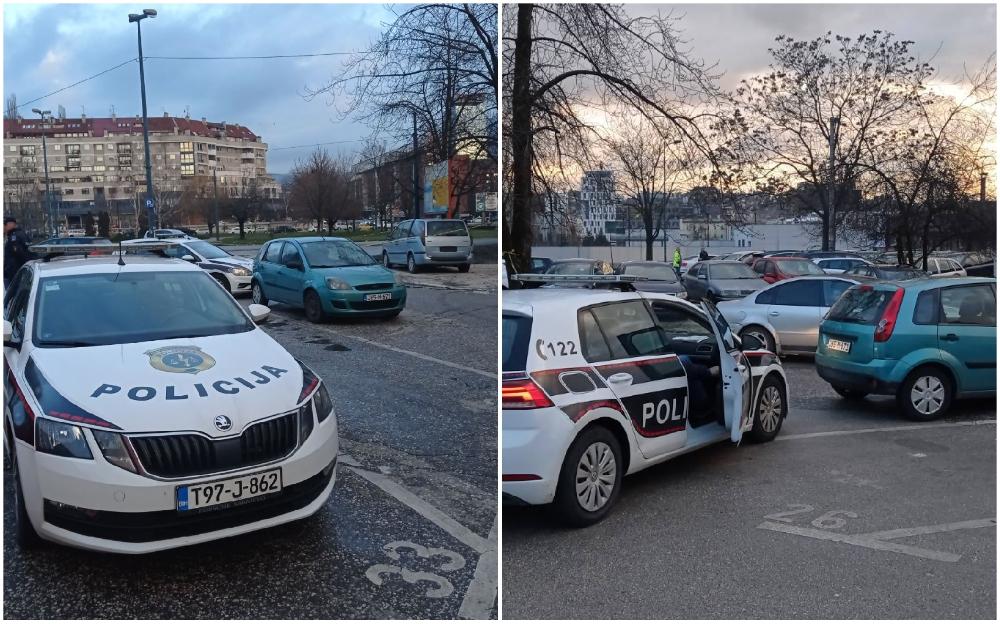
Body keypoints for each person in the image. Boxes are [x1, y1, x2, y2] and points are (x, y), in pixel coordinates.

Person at [4, 217, 33, 289]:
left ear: (10, 224)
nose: (4, 227)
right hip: (21, 271)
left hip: (16, 272)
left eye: (5, 225)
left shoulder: (14, 237)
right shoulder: (21, 234)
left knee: (12, 293)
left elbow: (20, 253)